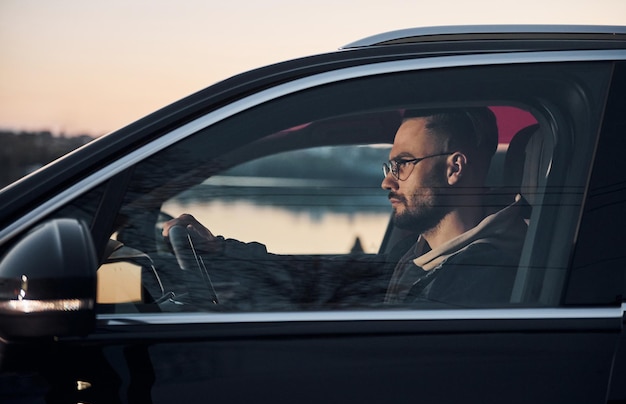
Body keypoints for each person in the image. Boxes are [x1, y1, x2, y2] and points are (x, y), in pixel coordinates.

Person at [163, 108, 528, 309]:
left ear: (454, 168)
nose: (388, 181)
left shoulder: (478, 276)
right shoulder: (422, 255)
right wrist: (223, 252)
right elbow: (331, 277)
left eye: (403, 163)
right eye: (390, 166)